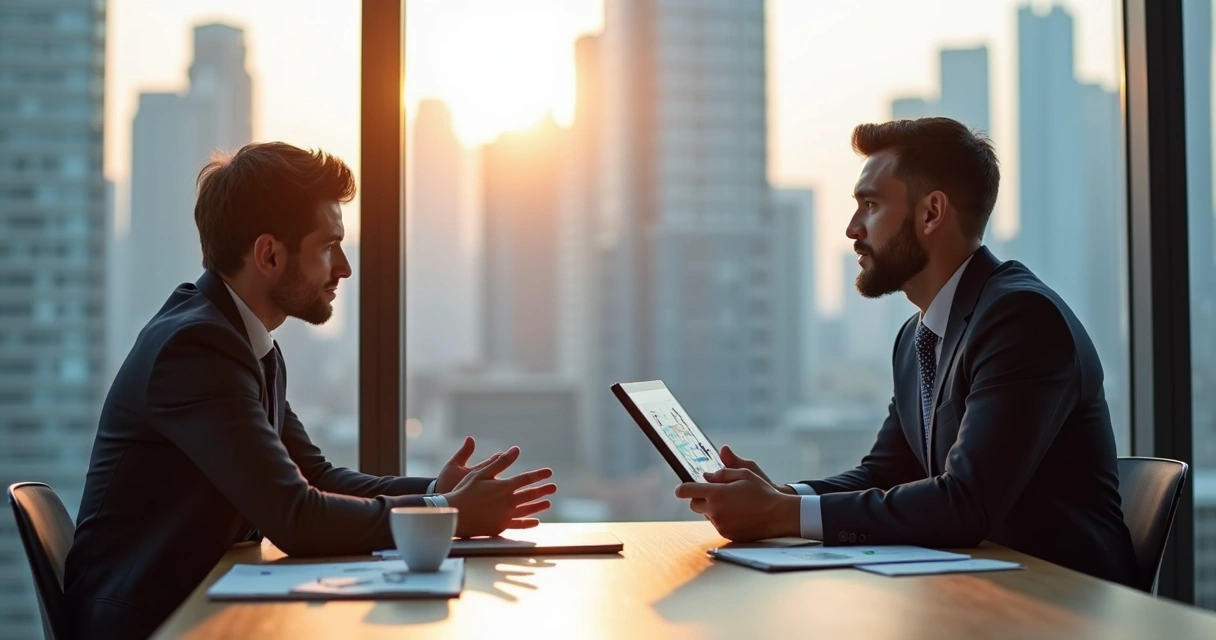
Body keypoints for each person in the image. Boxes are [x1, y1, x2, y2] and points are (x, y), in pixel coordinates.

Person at [63, 142, 558, 637]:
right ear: (269, 254)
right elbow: (296, 517)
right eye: (328, 246)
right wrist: (446, 514)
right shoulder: (197, 348)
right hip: (150, 625)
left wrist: (436, 492)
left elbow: (314, 477)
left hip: (200, 608)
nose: (343, 267)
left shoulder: (242, 342)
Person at [674, 117, 1137, 586]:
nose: (853, 229)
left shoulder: (1020, 319)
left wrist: (781, 515)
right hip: (977, 594)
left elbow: (965, 503)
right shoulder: (918, 337)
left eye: (870, 205)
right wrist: (784, 494)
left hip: (1067, 604)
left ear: (931, 213)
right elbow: (885, 473)